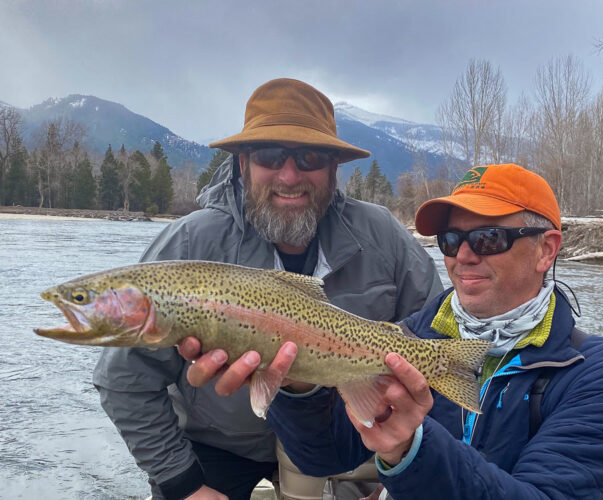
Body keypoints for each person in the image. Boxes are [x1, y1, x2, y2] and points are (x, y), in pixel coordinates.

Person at [186, 163, 603, 499]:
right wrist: (299, 380)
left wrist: (412, 448)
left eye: (488, 238)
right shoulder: (408, 339)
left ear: (546, 250)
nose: (462, 256)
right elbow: (326, 457)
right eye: (450, 240)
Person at [92, 78, 444, 500]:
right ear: (243, 164)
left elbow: (437, 336)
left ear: (333, 168)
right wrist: (182, 483)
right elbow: (123, 379)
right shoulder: (190, 244)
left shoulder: (382, 235)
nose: (289, 175)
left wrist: (403, 472)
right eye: (270, 156)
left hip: (347, 441)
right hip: (218, 447)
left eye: (309, 157)